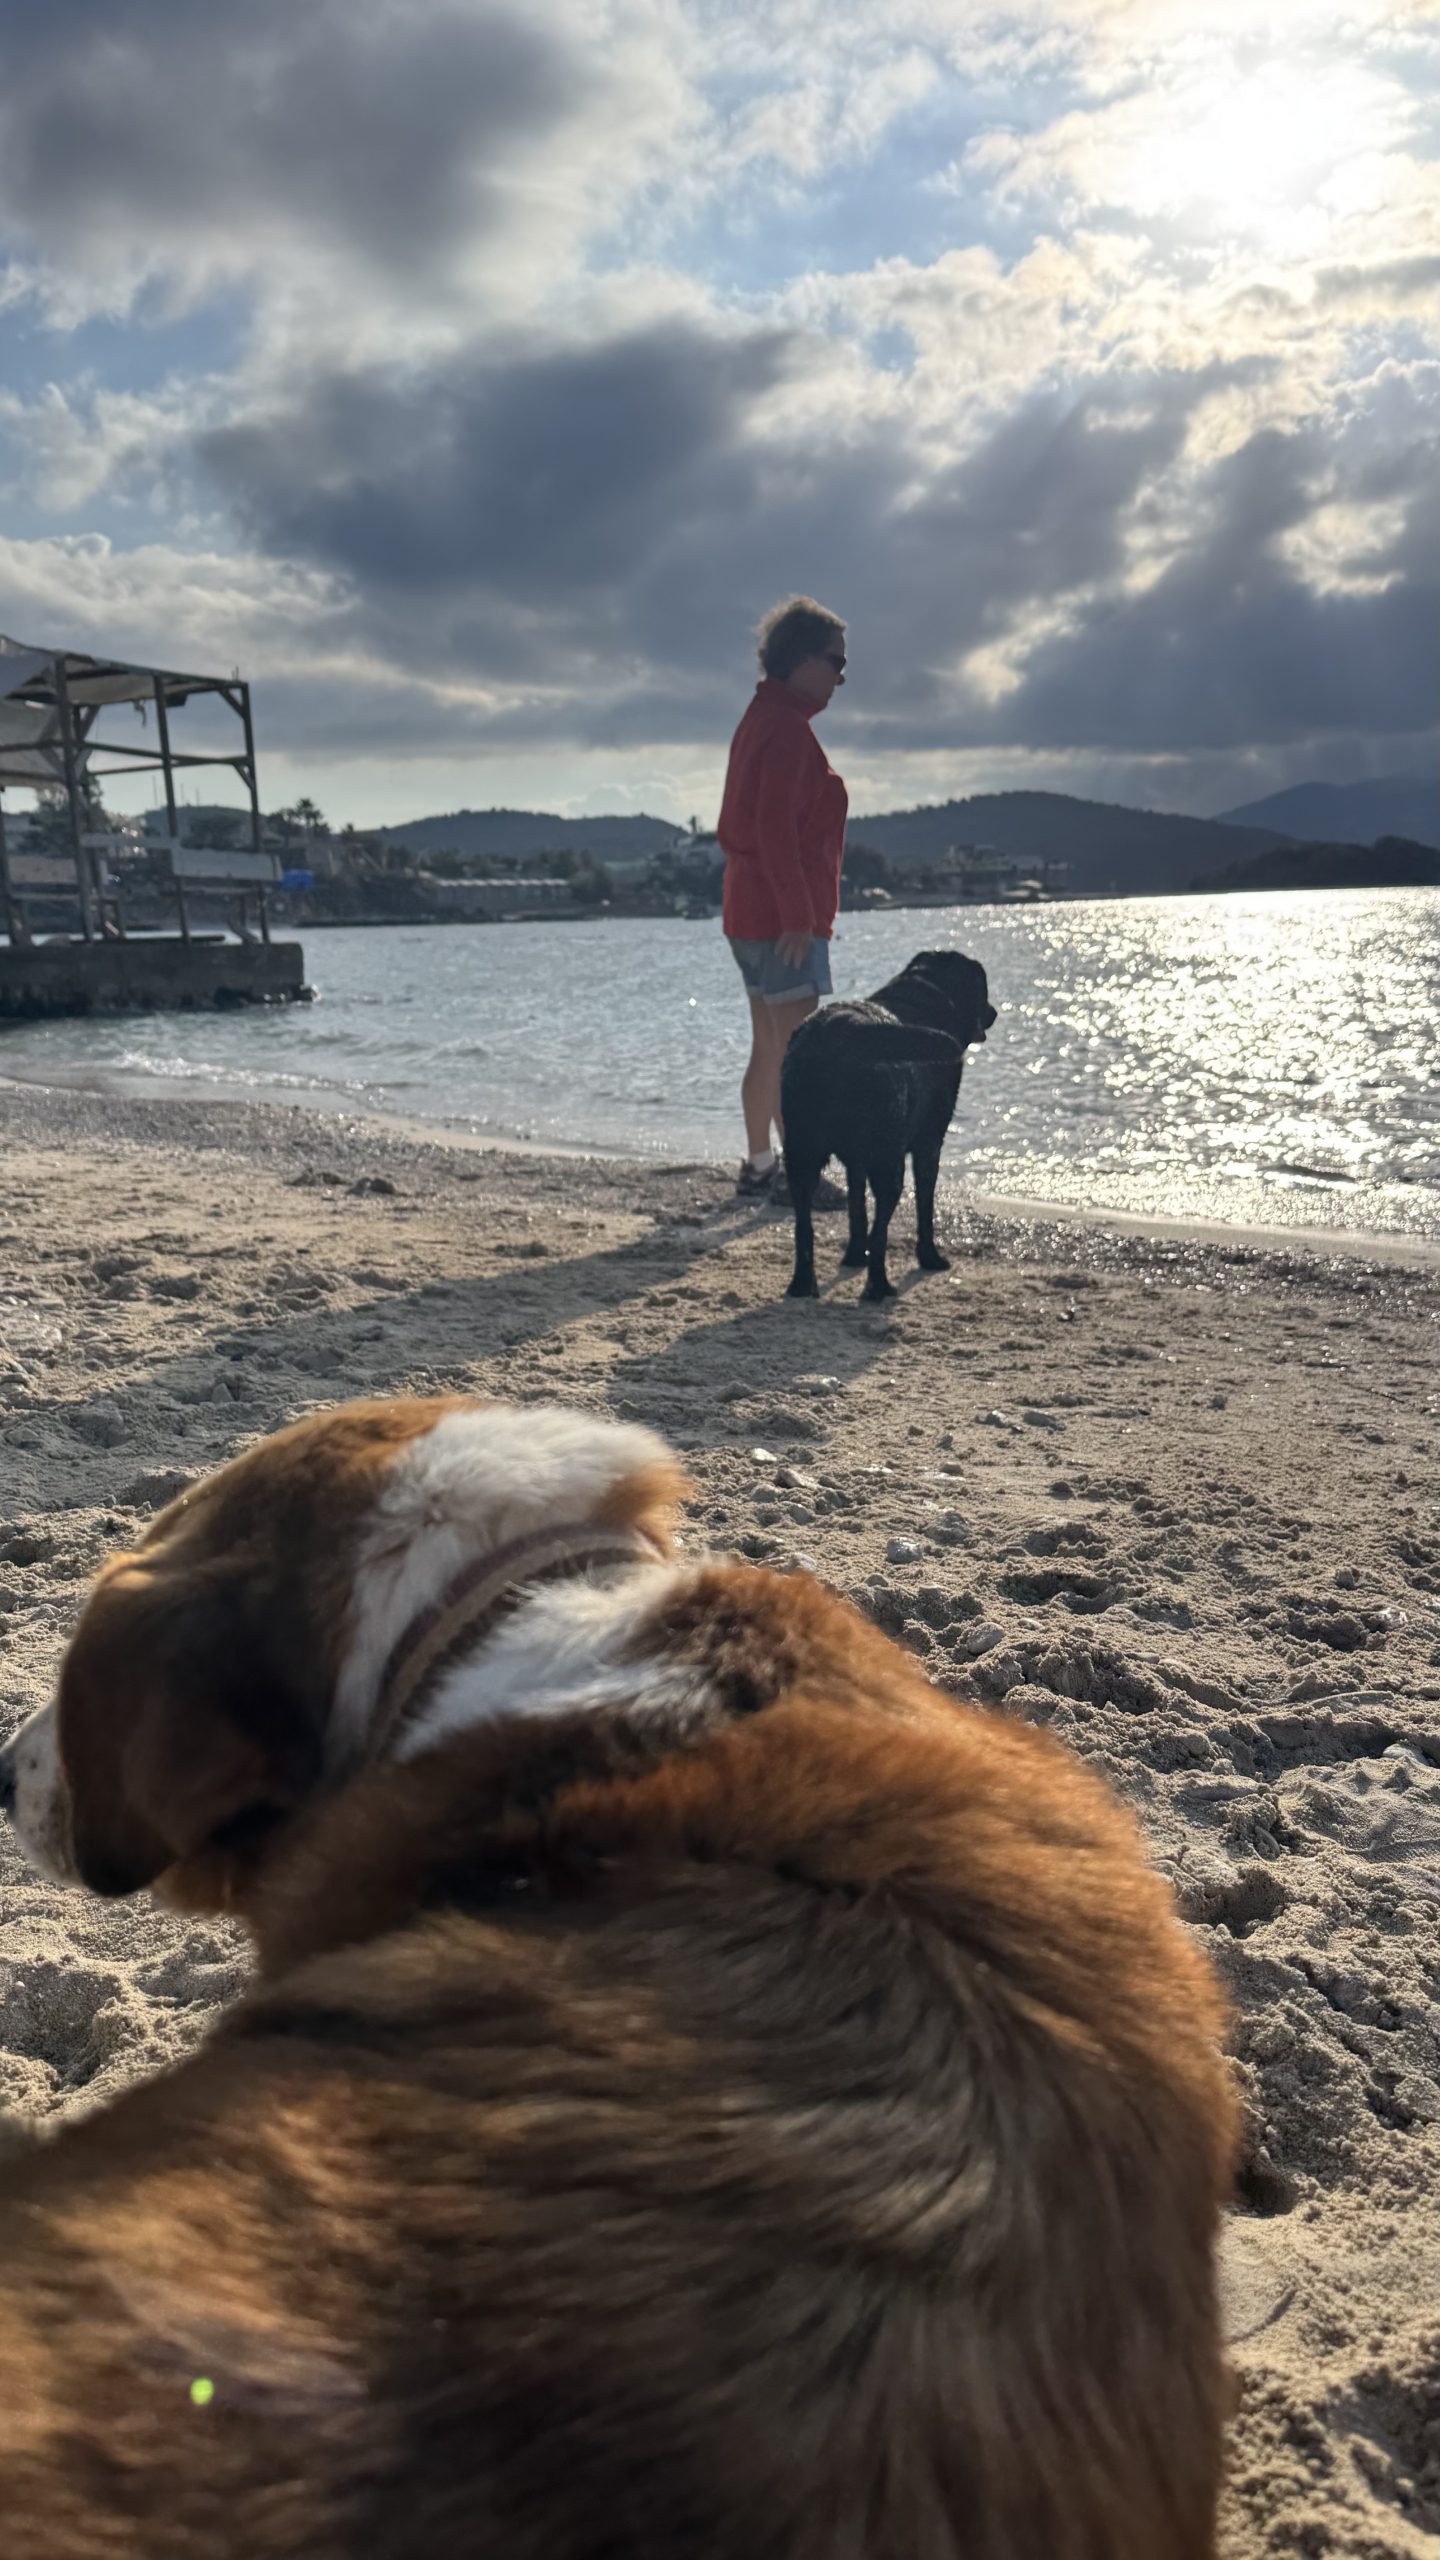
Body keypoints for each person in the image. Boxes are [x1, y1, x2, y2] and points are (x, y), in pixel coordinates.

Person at [718, 595, 849, 1204]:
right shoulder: (787, 732)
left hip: (749, 910)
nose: (842, 676)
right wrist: (800, 915)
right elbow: (775, 831)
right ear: (800, 660)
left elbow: (765, 828)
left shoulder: (759, 718)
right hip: (778, 917)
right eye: (835, 661)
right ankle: (796, 1174)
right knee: (800, 1057)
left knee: (769, 1047)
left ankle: (761, 1165)